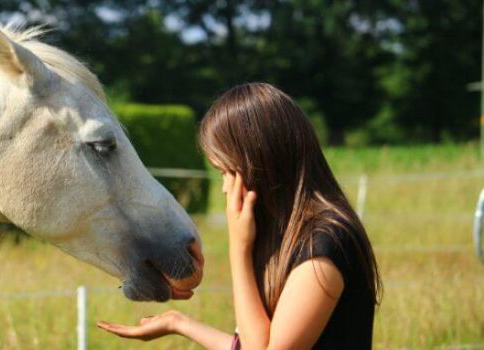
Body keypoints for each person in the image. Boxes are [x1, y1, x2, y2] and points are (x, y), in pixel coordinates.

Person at [97, 83, 381, 349]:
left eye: (227, 172)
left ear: (260, 162)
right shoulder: (292, 239)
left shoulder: (325, 244)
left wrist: (239, 248)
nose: (224, 188)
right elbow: (254, 341)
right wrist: (178, 322)